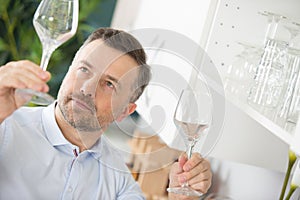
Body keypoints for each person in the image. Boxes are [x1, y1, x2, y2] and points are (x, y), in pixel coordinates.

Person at [0, 28, 212, 199]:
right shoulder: (6, 127)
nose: (87, 89)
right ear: (68, 71)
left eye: (109, 84)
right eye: (84, 70)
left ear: (124, 112)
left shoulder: (119, 180)